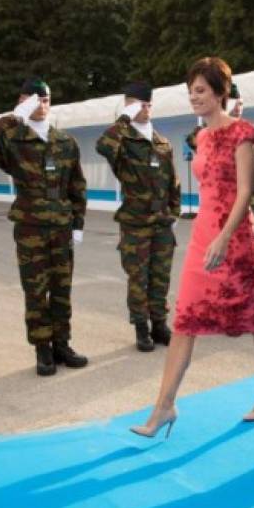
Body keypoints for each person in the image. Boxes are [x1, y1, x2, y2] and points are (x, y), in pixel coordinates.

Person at [130, 57, 254, 438]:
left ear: (219, 92)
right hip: (202, 238)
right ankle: (164, 406)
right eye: (190, 91)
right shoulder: (202, 137)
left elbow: (246, 192)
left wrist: (225, 236)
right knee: (185, 319)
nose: (193, 98)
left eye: (200, 91)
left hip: (234, 239)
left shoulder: (242, 133)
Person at [0, 78, 88, 376]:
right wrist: (17, 115)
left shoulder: (65, 142)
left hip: (61, 226)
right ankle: (42, 350)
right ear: (22, 101)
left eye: (45, 99)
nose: (41, 105)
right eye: (34, 100)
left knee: (62, 289)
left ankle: (62, 344)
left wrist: (78, 224)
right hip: (31, 228)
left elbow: (77, 185)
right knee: (36, 291)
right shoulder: (12, 140)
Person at [97, 82, 180, 352]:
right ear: (128, 106)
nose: (143, 110)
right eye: (137, 105)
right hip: (135, 224)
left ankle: (159, 324)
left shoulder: (162, 142)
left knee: (161, 277)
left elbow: (173, 182)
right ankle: (141, 328)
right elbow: (102, 145)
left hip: (161, 223)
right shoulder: (122, 140)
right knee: (138, 279)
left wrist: (174, 213)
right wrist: (125, 118)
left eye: (146, 105)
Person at [185, 83, 254, 223]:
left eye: (241, 104)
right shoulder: (207, 133)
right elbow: (192, 140)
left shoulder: (248, 133)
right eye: (234, 103)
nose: (238, 108)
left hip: (251, 202)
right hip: (222, 204)